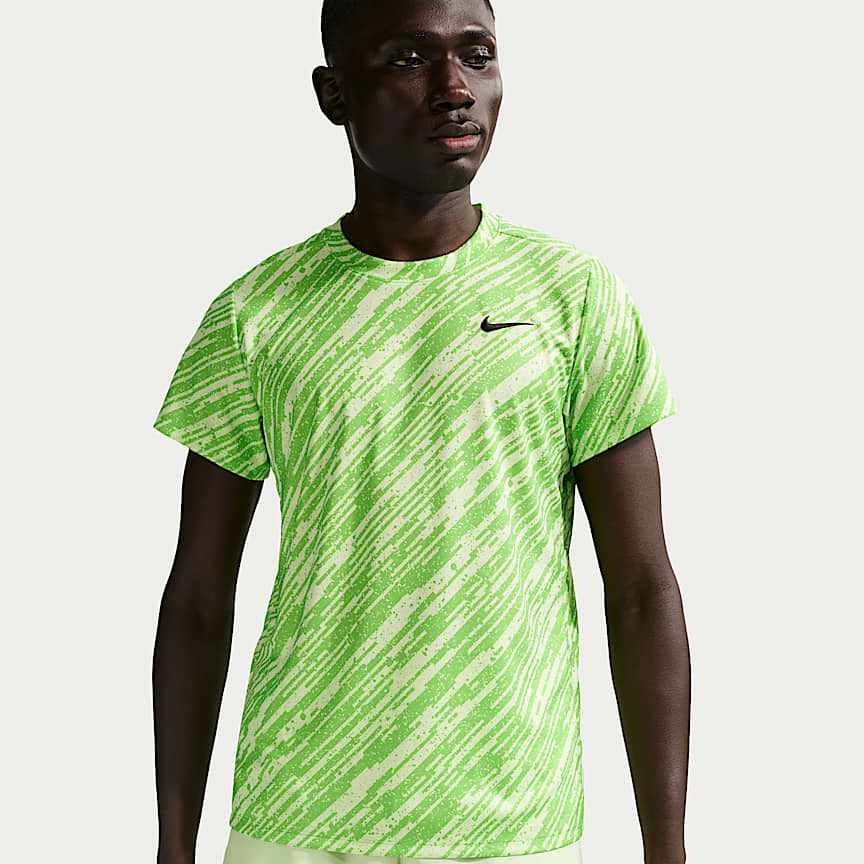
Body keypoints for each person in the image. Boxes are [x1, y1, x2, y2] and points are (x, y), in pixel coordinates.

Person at [151, 1, 691, 863]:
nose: (455, 89)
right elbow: (197, 599)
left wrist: (667, 848)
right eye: (409, 58)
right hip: (295, 812)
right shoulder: (256, 313)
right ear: (334, 93)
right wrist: (173, 846)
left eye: (477, 55)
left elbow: (641, 589)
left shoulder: (574, 297)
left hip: (512, 821)